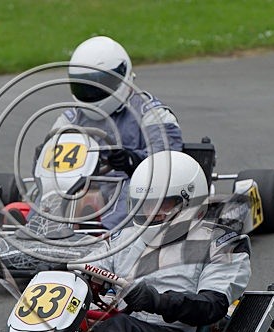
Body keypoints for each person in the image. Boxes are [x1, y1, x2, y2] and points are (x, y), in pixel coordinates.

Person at [57, 150, 252, 332]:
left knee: (120, 328)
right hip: (121, 331)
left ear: (190, 202)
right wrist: (71, 276)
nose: (152, 213)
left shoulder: (220, 243)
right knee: (59, 324)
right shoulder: (125, 238)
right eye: (145, 205)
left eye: (162, 205)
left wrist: (158, 301)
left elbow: (212, 305)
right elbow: (90, 265)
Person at [51, 36, 183, 230]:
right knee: (53, 186)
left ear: (123, 75)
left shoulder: (150, 112)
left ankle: (104, 232)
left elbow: (166, 162)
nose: (92, 92)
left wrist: (131, 160)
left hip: (131, 189)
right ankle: (35, 226)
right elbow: (49, 164)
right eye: (86, 86)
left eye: (101, 83)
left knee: (134, 187)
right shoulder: (71, 118)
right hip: (82, 189)